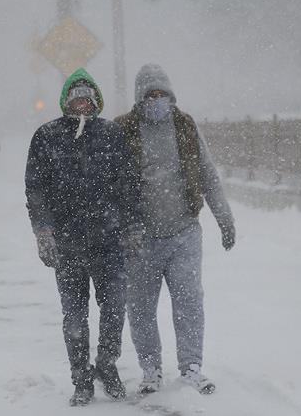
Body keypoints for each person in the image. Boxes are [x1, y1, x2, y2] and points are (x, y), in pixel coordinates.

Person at [115, 63, 236, 396]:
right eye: (150, 95)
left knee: (189, 303)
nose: (156, 100)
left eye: (161, 94)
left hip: (183, 233)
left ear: (170, 96)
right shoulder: (123, 130)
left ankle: (191, 366)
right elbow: (106, 183)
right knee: (140, 307)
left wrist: (224, 218)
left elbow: (208, 174)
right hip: (140, 239)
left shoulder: (184, 126)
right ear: (140, 98)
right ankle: (151, 369)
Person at [25, 68, 141, 407]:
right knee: (74, 316)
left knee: (115, 307)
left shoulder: (111, 134)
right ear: (66, 101)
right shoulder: (46, 136)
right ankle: (81, 377)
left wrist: (132, 226)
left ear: (96, 101)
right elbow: (36, 188)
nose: (82, 104)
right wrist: (43, 230)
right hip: (68, 243)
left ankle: (107, 364)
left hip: (109, 240)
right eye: (76, 98)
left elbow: (128, 184)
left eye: (87, 98)